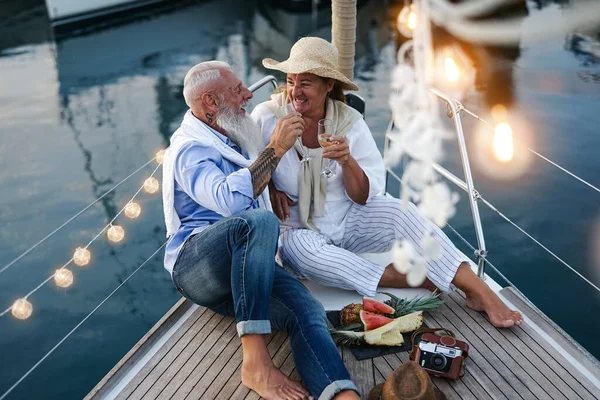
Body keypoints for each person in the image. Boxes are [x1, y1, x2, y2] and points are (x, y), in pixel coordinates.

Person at [251, 37, 523, 328]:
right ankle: (398, 276)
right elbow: (248, 177)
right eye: (291, 81)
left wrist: (347, 161)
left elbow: (364, 197)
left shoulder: (350, 122)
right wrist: (272, 179)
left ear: (329, 84)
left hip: (348, 219)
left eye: (305, 83)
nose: (295, 91)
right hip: (299, 228)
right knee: (300, 252)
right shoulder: (267, 118)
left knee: (400, 211)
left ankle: (479, 291)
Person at [162, 61, 360, 400]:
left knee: (307, 309)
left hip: (240, 276)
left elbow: (252, 177)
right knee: (259, 223)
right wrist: (277, 147)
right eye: (238, 89)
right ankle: (255, 361)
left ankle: (341, 392)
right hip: (196, 269)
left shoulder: (230, 133)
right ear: (211, 102)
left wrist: (271, 186)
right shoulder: (189, 149)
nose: (249, 94)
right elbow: (230, 202)